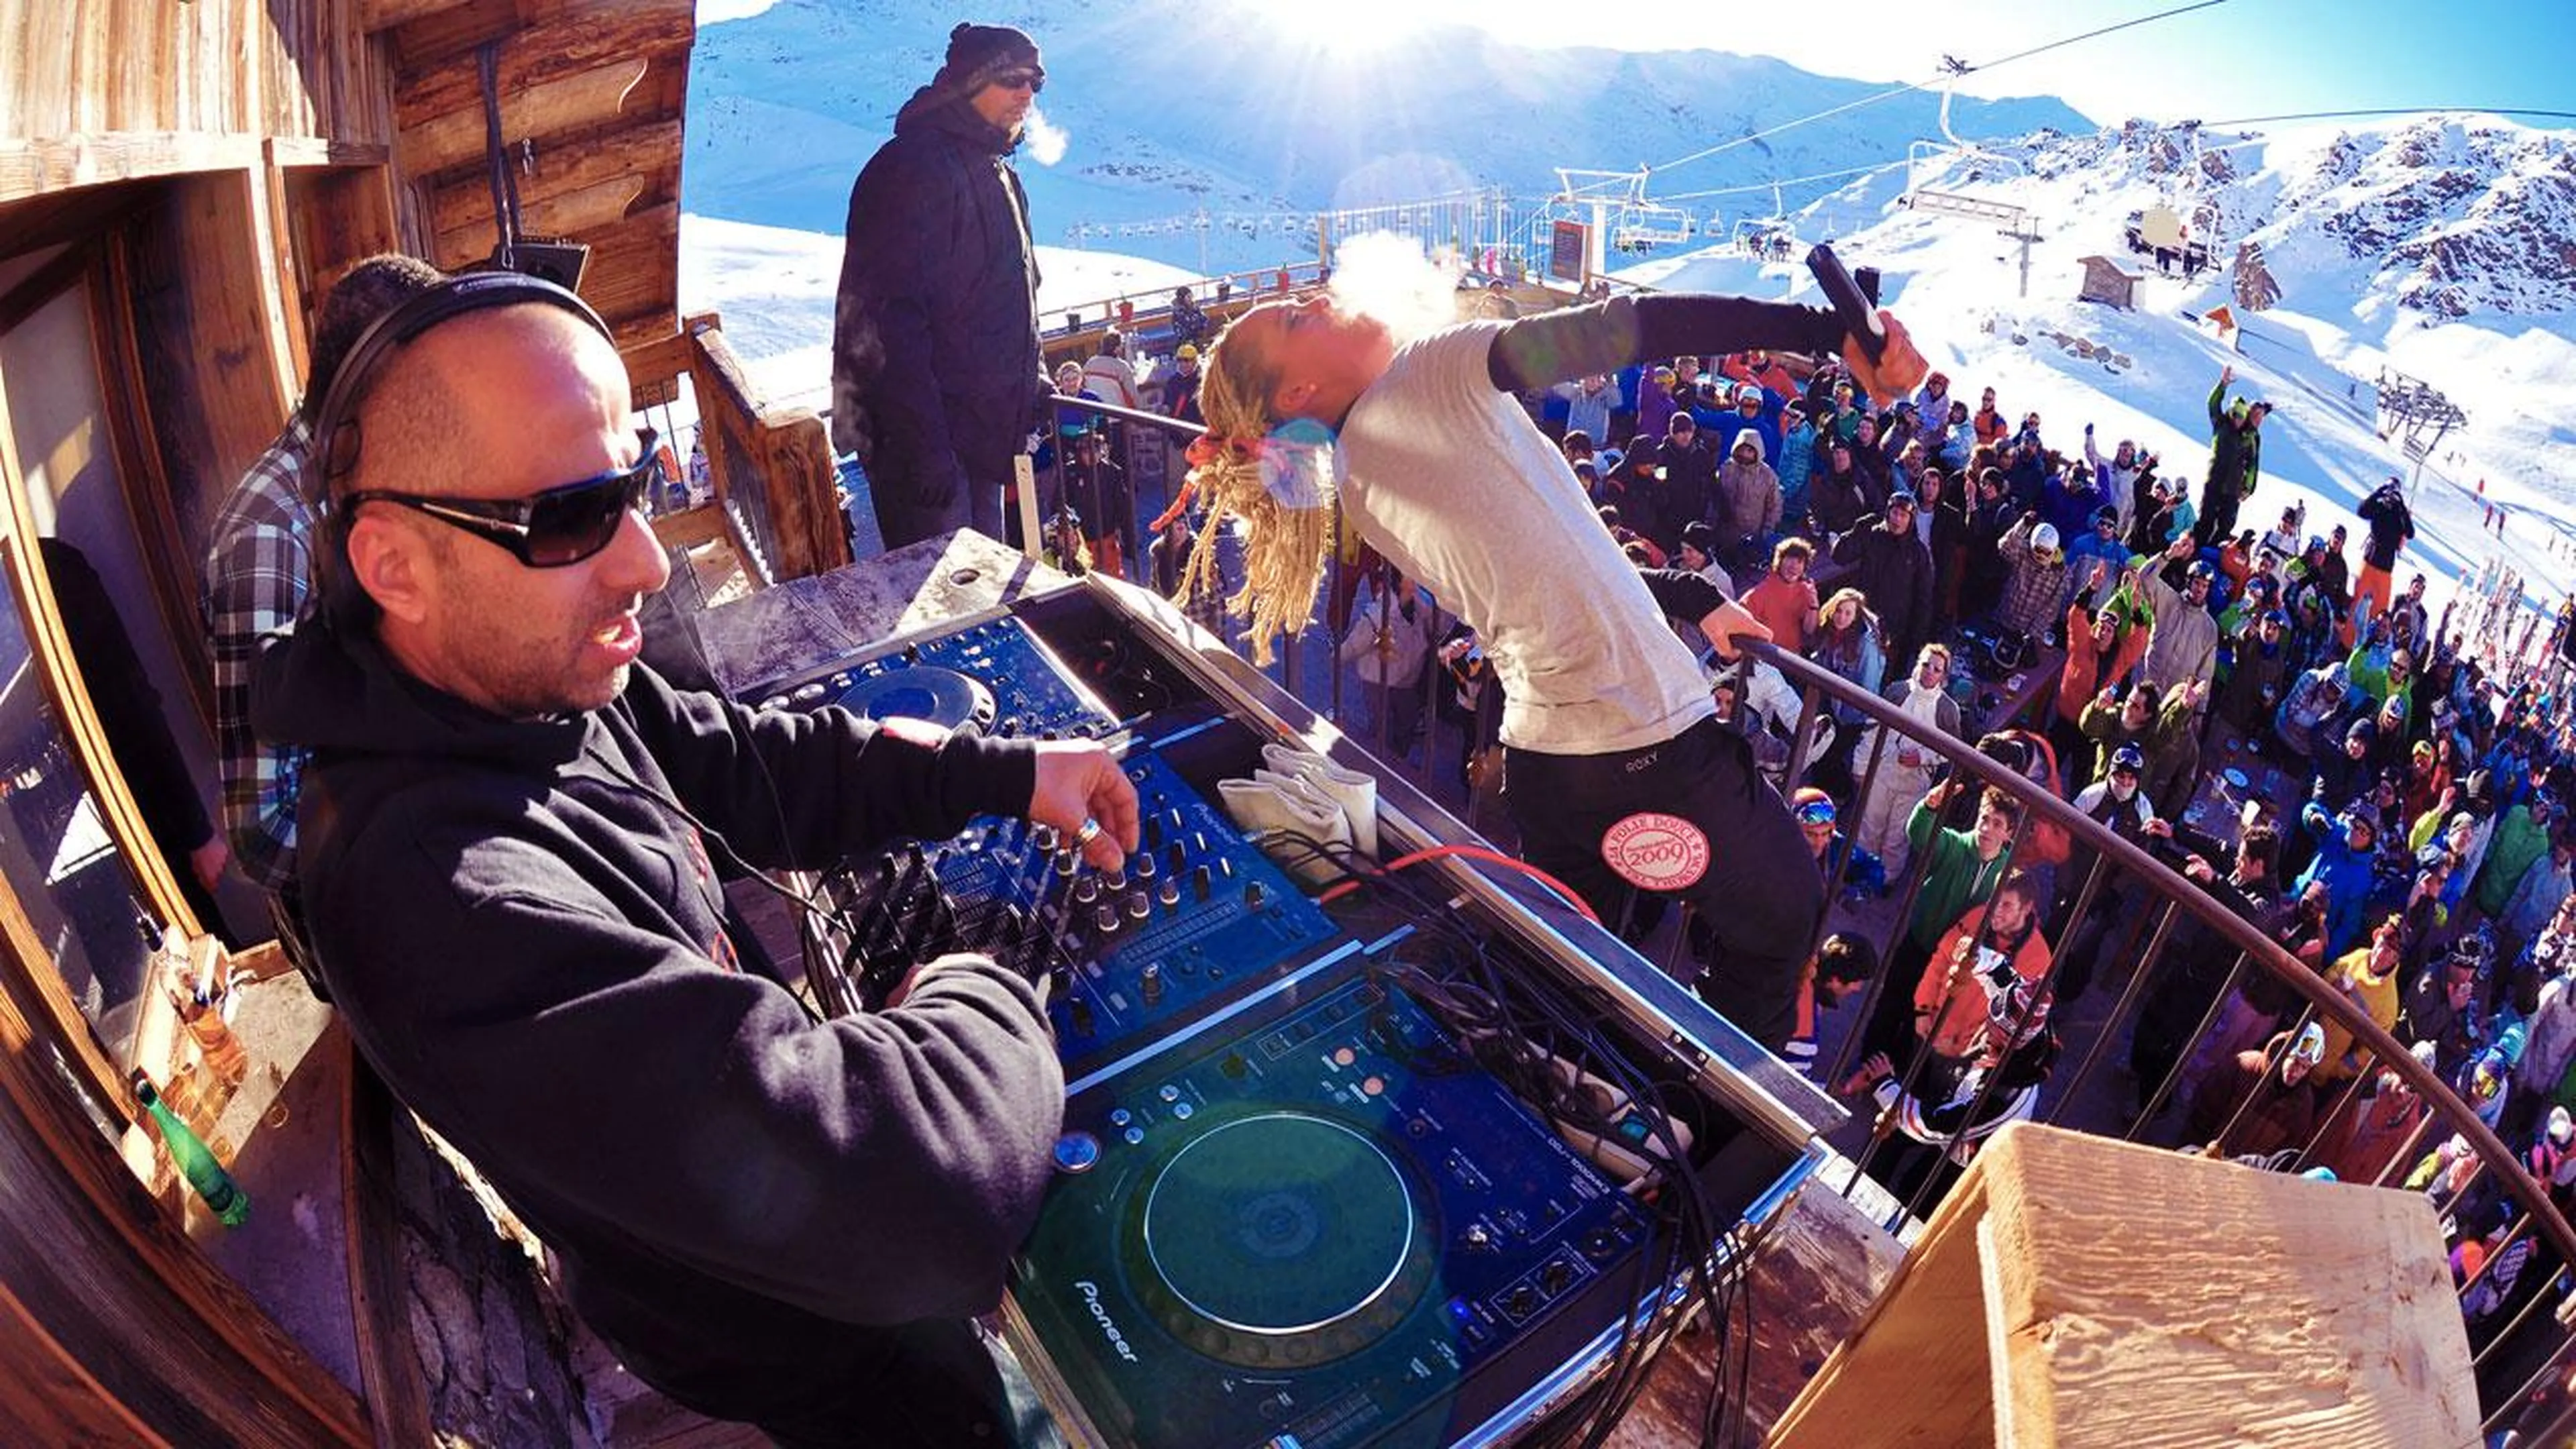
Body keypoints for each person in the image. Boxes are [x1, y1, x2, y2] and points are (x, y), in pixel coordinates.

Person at [254, 272, 1140, 1447]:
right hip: (789, 1324)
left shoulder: (515, 677)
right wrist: (977, 984)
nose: (647, 563)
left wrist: (1003, 775)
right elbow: (917, 1207)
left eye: (631, 491)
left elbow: (736, 760)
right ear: (396, 567)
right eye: (569, 518)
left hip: (778, 1232)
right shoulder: (438, 902)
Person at [1175, 284, 1927, 1048]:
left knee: (1577, 971)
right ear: (1300, 389)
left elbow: (1548, 565)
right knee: (1786, 915)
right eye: (1299, 318)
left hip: (1553, 765)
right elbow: (1618, 330)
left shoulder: (1360, 477)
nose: (1319, 298)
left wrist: (1689, 593)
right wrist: (1829, 330)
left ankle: (1592, 1100)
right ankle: (1705, 1113)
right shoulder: (1427, 375)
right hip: (1644, 737)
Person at [202, 252, 446, 933]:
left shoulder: (357, 480)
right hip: (379, 919)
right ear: (370, 377)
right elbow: (265, 834)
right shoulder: (269, 534)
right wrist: (442, 866)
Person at [830, 23, 1051, 551]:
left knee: (982, 592)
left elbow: (1016, 295)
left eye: (1036, 83)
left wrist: (1033, 383)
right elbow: (883, 322)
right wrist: (923, 450)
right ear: (972, 82)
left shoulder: (995, 171)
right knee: (945, 606)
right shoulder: (912, 168)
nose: (1027, 94)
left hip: (979, 436)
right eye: (1012, 79)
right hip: (926, 447)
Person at [2194, 364, 2269, 548]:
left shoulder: (2249, 436)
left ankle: (2212, 560)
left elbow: (2253, 464)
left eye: (2241, 417)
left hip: (2233, 489)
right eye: (2235, 415)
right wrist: (2223, 385)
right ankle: (2193, 555)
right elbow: (2212, 403)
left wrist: (2249, 487)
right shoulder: (2221, 424)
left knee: (2224, 528)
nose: (2237, 420)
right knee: (2205, 522)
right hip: (2214, 482)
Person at [2353, 476, 2416, 643]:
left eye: (2394, 490)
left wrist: (2401, 505)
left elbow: (2410, 533)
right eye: (2390, 489)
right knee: (2357, 605)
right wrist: (2379, 492)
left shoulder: (2399, 514)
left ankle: (2370, 645)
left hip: (2386, 568)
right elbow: (2361, 511)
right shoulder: (2378, 505)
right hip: (2369, 561)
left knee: (2379, 610)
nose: (2390, 495)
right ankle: (2347, 643)